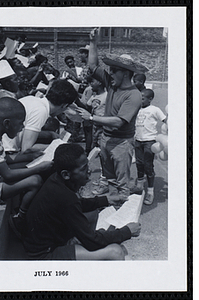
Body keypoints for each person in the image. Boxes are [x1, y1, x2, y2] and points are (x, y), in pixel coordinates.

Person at [22, 143, 141, 260]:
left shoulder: (57, 180)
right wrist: (127, 232)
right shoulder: (65, 197)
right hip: (43, 255)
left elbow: (77, 205)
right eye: (83, 169)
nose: (89, 171)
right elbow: (92, 241)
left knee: (93, 214)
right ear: (66, 174)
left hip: (49, 241)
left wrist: (107, 200)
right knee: (116, 252)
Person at [77, 28, 148, 201]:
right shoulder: (112, 84)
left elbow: (118, 122)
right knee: (109, 178)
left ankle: (121, 214)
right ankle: (112, 203)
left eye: (114, 70)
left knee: (122, 182)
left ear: (125, 72)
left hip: (122, 143)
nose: (109, 73)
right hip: (106, 138)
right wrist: (93, 42)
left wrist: (92, 118)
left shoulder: (134, 95)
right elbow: (93, 66)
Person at [2, 79, 78, 153]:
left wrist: (49, 134)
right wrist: (57, 146)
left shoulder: (31, 99)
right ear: (64, 105)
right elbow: (26, 148)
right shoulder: (41, 111)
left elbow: (24, 132)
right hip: (8, 151)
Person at [132, 89, 167, 205]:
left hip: (149, 141)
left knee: (148, 166)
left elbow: (165, 120)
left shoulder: (155, 110)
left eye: (142, 98)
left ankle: (150, 191)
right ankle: (140, 185)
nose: (140, 101)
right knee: (139, 163)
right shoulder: (136, 109)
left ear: (150, 99)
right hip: (138, 140)